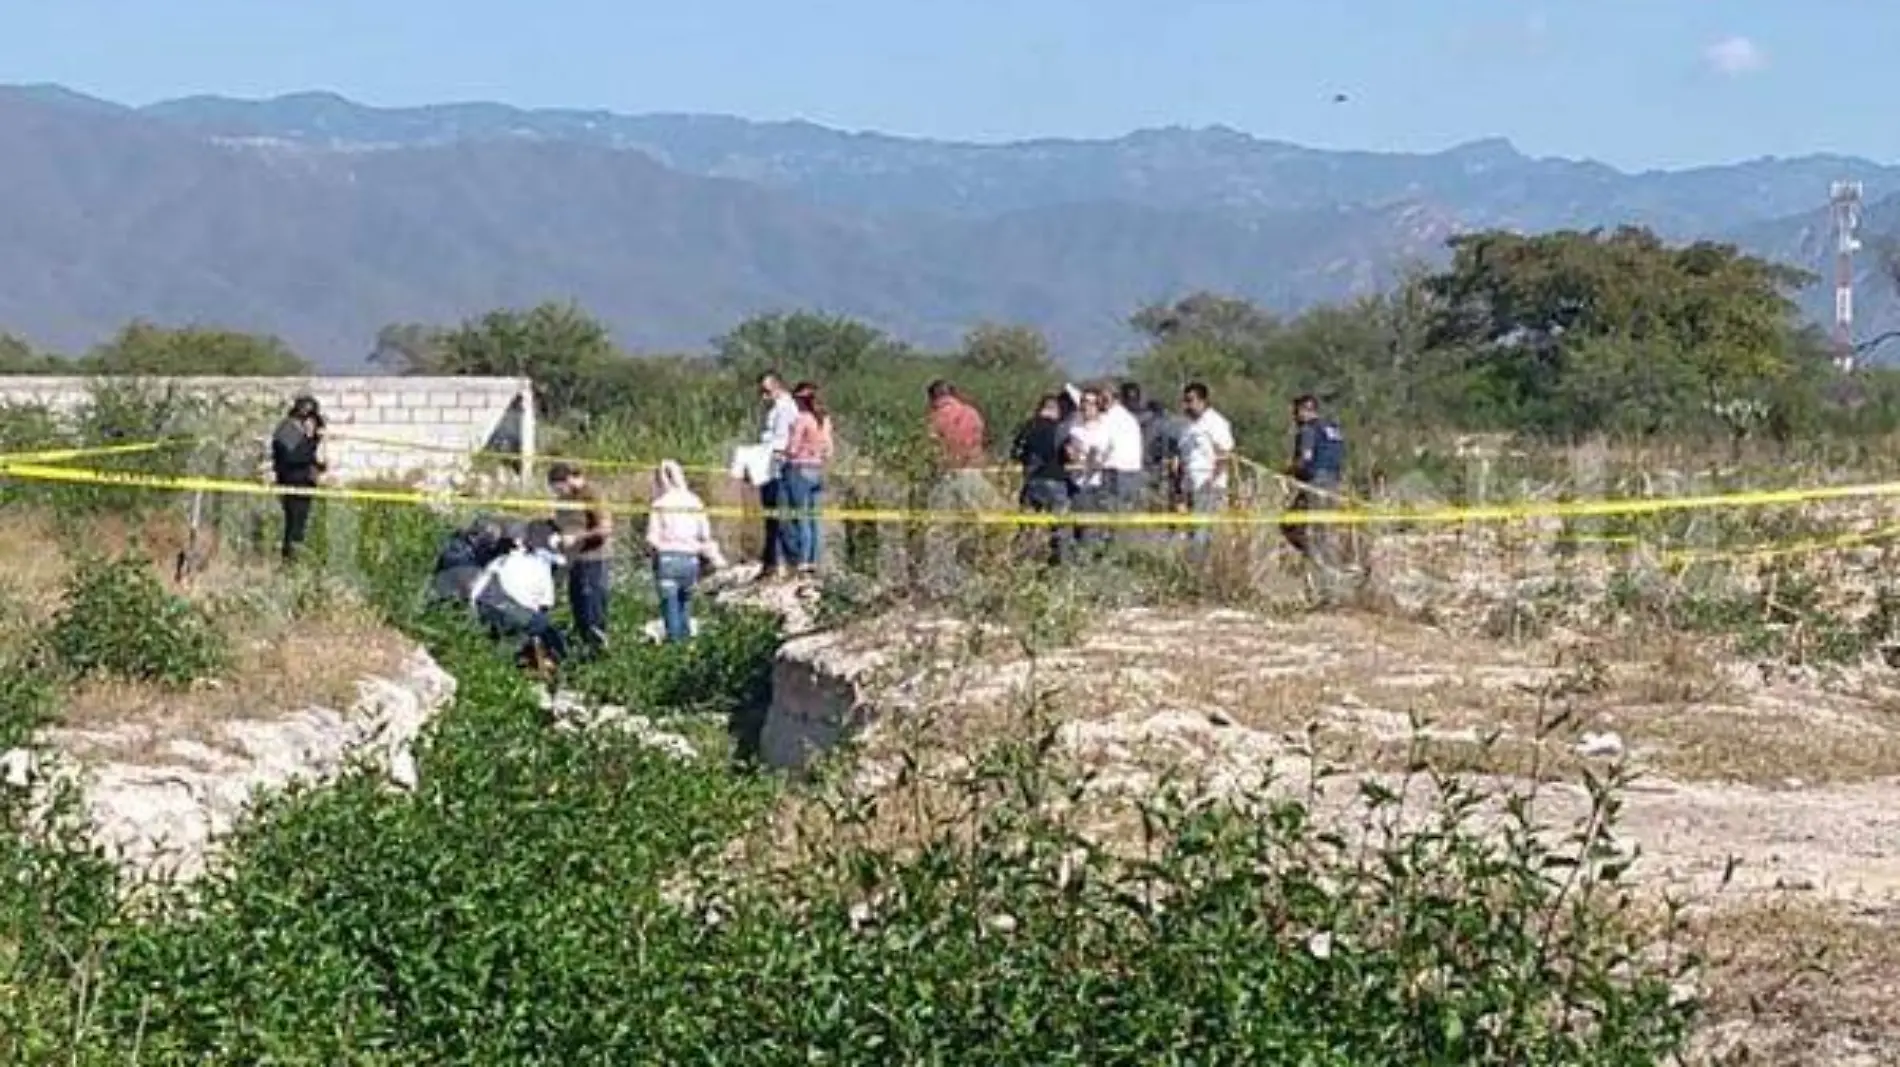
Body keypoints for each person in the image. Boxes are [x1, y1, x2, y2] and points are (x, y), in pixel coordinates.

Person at [468, 522, 570, 673]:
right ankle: (559, 663)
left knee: (525, 626)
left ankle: (502, 659)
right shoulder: (540, 564)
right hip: (506, 607)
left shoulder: (501, 561)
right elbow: (543, 608)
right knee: (542, 626)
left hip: (482, 606)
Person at [647, 459, 726, 643]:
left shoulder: (659, 504)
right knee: (685, 604)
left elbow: (652, 538)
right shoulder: (695, 501)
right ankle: (687, 646)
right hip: (691, 560)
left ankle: (674, 648)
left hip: (667, 559)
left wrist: (652, 556)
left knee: (670, 608)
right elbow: (705, 534)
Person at [547, 461, 613, 656]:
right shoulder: (564, 500)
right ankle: (583, 649)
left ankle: (598, 651)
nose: (558, 494)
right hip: (572, 560)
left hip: (594, 559)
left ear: (567, 480)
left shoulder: (592, 494)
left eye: (559, 489)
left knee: (592, 608)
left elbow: (605, 529)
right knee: (578, 608)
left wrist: (576, 537)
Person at [1284, 394, 1346, 564]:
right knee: (1324, 528)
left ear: (1305, 411)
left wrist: (1288, 471)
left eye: (1296, 413)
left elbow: (1306, 457)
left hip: (1315, 483)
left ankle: (1318, 563)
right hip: (1333, 483)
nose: (1295, 418)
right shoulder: (1333, 429)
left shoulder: (1308, 430)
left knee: (1291, 525)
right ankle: (1325, 563)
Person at [1011, 393, 1072, 565]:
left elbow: (1015, 453)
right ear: (1056, 409)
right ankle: (1060, 564)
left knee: (1027, 527)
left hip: (1031, 483)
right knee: (1060, 528)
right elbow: (1068, 455)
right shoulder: (1060, 429)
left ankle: (1022, 563)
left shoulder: (1027, 427)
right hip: (1055, 481)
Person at [1178, 382, 1236, 559]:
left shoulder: (1215, 422)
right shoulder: (1188, 426)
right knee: (1190, 532)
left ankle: (1200, 569)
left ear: (1203, 401)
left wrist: (1212, 480)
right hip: (1190, 485)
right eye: (1185, 400)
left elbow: (1225, 454)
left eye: (1191, 400)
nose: (1187, 405)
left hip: (1209, 486)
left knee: (1202, 533)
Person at [782, 381, 834, 576]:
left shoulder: (802, 419)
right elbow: (829, 448)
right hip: (818, 468)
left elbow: (793, 447)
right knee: (815, 519)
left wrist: (783, 453)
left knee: (802, 518)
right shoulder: (824, 419)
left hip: (800, 468)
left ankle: (803, 561)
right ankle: (815, 560)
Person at [270, 395, 327, 563]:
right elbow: (293, 457)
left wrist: (318, 465)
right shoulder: (287, 429)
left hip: (303, 482)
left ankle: (294, 559)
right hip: (292, 483)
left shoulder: (301, 433)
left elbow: (305, 456)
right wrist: (313, 440)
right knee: (294, 524)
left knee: (299, 524)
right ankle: (290, 561)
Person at [757, 371, 800, 580]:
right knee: (772, 519)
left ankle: (792, 562)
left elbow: (781, 442)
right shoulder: (776, 409)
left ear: (778, 387)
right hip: (769, 468)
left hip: (779, 468)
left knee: (781, 519)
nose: (764, 397)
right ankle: (770, 562)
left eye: (767, 391)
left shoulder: (785, 409)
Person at [1065, 388, 1112, 552]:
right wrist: (1072, 452)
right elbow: (1071, 453)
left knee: (1091, 530)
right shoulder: (1074, 428)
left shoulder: (1105, 429)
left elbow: (1103, 456)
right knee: (1074, 529)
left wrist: (1093, 458)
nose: (1086, 406)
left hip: (1095, 485)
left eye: (1090, 403)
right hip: (1074, 485)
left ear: (1098, 406)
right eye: (1083, 402)